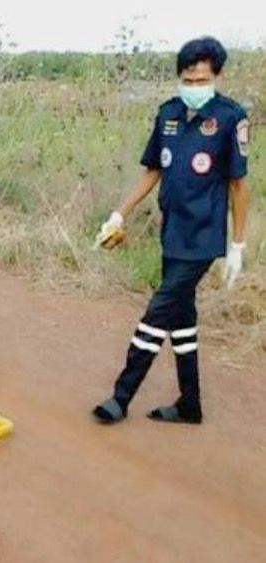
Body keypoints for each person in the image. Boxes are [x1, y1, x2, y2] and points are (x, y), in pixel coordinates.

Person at [93, 37, 251, 425]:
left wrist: (238, 244)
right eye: (188, 80)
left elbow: (238, 186)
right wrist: (119, 214)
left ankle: (120, 398)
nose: (194, 87)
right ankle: (189, 405)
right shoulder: (169, 114)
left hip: (203, 238)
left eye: (202, 80)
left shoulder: (230, 118)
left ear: (218, 77)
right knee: (181, 320)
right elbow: (153, 171)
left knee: (156, 313)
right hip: (172, 233)